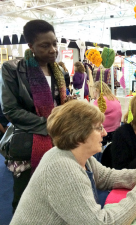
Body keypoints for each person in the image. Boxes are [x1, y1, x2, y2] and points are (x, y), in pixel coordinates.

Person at [10, 100, 136, 225]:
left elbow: (106, 177)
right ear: (79, 135)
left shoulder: (78, 155)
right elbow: (101, 223)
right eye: (98, 128)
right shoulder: (63, 169)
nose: (104, 132)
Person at [0, 19, 66, 213]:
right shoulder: (12, 69)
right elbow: (11, 110)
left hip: (57, 141)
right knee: (25, 198)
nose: (53, 49)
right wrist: (49, 124)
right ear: (31, 46)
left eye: (54, 43)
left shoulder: (59, 71)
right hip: (28, 144)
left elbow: (59, 105)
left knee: (56, 192)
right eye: (45, 45)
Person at [93, 81, 122, 145]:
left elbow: (93, 117)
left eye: (94, 92)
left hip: (105, 132)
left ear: (97, 90)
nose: (93, 94)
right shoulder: (114, 98)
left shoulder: (100, 101)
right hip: (116, 130)